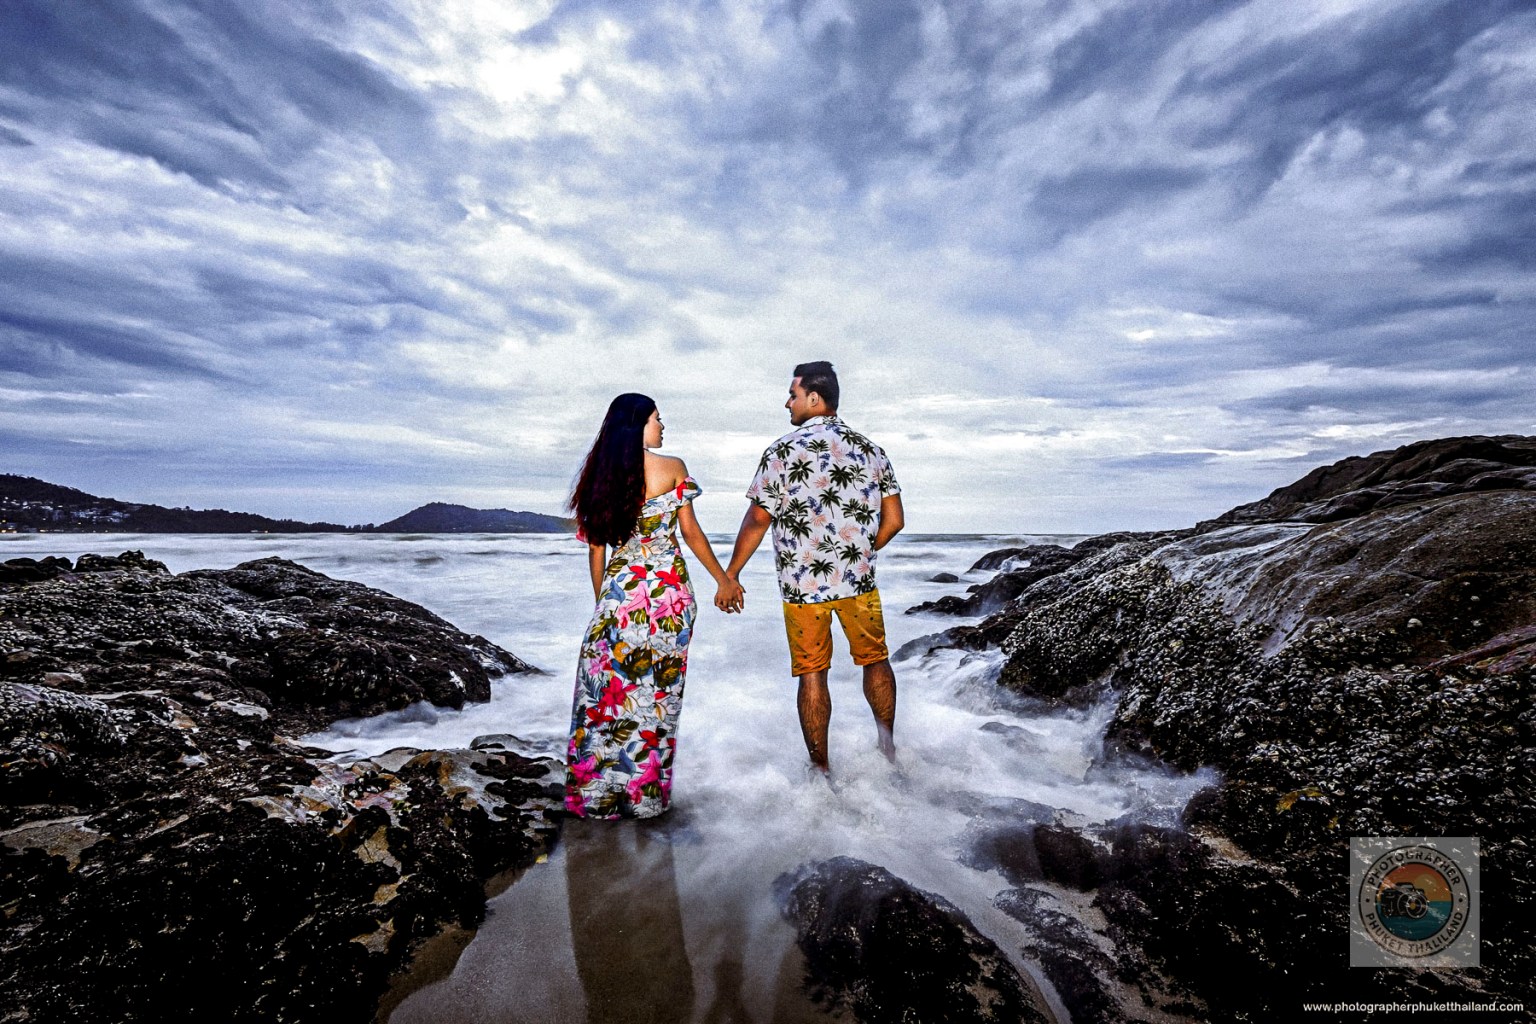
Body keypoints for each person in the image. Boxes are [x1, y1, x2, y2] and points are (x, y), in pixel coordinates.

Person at [564, 393, 743, 818]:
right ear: (638, 425)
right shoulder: (673, 468)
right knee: (657, 697)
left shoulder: (598, 478)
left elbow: (596, 552)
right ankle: (644, 799)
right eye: (658, 419)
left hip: (619, 599)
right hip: (668, 599)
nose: (663, 428)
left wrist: (603, 607)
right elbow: (692, 534)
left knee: (605, 699)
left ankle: (597, 798)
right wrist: (725, 579)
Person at [723, 362, 904, 774]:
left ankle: (820, 770)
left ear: (814, 399)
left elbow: (757, 519)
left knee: (812, 675)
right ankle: (888, 751)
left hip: (803, 588)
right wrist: (858, 553)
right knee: (875, 660)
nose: (787, 402)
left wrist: (731, 574)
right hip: (859, 583)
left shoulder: (782, 451)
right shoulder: (871, 450)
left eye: (792, 394)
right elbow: (894, 521)